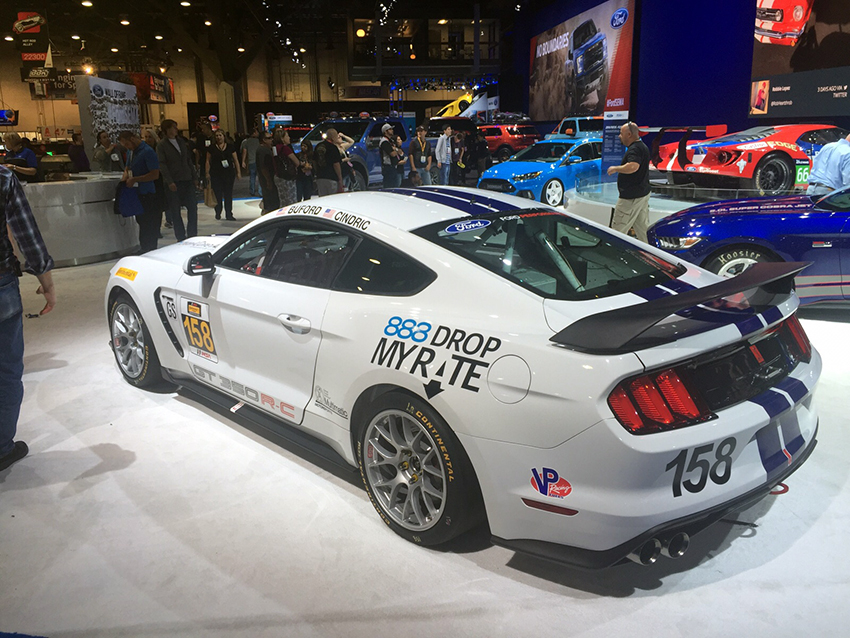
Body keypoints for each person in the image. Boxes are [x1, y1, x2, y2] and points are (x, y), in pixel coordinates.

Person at [0, 165, 56, 473]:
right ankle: (2, 449)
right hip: (1, 285)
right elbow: (26, 234)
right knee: (6, 372)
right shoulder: (4, 177)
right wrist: (46, 283)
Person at [607, 122, 651, 242]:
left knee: (617, 231)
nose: (619, 136)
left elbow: (633, 166)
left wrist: (616, 168)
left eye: (621, 134)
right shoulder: (643, 147)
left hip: (631, 198)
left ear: (629, 134)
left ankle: (614, 252)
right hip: (642, 194)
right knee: (643, 229)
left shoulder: (635, 149)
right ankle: (649, 251)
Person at [119, 130, 162, 253]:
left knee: (149, 222)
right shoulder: (131, 152)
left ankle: (150, 248)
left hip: (147, 192)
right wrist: (125, 178)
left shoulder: (148, 152)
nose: (127, 147)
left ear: (132, 139)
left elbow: (155, 174)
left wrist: (136, 179)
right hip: (136, 192)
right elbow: (127, 168)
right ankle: (144, 246)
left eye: (127, 144)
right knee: (141, 221)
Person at [157, 119, 199, 240]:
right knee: (175, 211)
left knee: (192, 207)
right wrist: (169, 181)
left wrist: (194, 177)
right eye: (173, 127)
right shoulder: (162, 145)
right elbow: (162, 164)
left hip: (187, 179)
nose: (176, 129)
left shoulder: (181, 142)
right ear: (167, 129)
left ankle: (192, 234)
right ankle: (180, 236)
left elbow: (188, 160)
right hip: (174, 181)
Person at [206, 129, 241, 221]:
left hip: (228, 173)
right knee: (217, 194)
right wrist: (207, 173)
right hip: (216, 174)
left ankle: (229, 213)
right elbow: (208, 161)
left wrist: (238, 172)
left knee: (228, 194)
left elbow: (235, 160)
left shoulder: (230, 147)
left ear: (224, 136)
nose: (218, 137)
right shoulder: (211, 148)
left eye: (220, 135)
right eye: (217, 135)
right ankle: (218, 211)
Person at [807, 131, 850, 196]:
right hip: (828, 193)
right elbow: (848, 184)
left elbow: (814, 168)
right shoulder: (848, 153)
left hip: (811, 189)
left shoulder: (827, 146)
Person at [273, 128, 299, 207]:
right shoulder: (285, 148)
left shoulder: (275, 148)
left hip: (278, 176)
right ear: (282, 138)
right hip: (287, 177)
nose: (289, 138)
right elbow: (297, 162)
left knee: (283, 200)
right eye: (287, 136)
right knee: (291, 200)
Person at [314, 128, 344, 196]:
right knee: (332, 198)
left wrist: (317, 172)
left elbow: (314, 161)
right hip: (331, 178)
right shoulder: (333, 148)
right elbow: (336, 164)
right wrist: (340, 179)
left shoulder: (318, 146)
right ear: (333, 137)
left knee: (322, 198)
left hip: (320, 177)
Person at [256, 131, 279, 213]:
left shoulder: (266, 149)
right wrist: (268, 180)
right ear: (264, 140)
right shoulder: (263, 150)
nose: (271, 140)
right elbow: (263, 167)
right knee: (270, 200)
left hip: (267, 178)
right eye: (269, 138)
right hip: (267, 179)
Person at [379, 123, 403, 189]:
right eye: (390, 129)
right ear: (385, 132)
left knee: (395, 185)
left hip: (393, 167)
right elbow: (392, 154)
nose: (392, 130)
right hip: (388, 168)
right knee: (389, 187)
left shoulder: (390, 141)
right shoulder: (384, 142)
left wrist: (395, 149)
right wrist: (396, 150)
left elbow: (396, 150)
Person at [240, 128, 262, 197]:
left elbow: (244, 152)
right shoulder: (259, 141)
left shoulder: (246, 142)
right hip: (259, 161)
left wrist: (243, 161)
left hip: (251, 161)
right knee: (260, 177)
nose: (258, 133)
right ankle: (260, 192)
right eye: (257, 132)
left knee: (252, 177)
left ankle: (252, 191)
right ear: (254, 133)